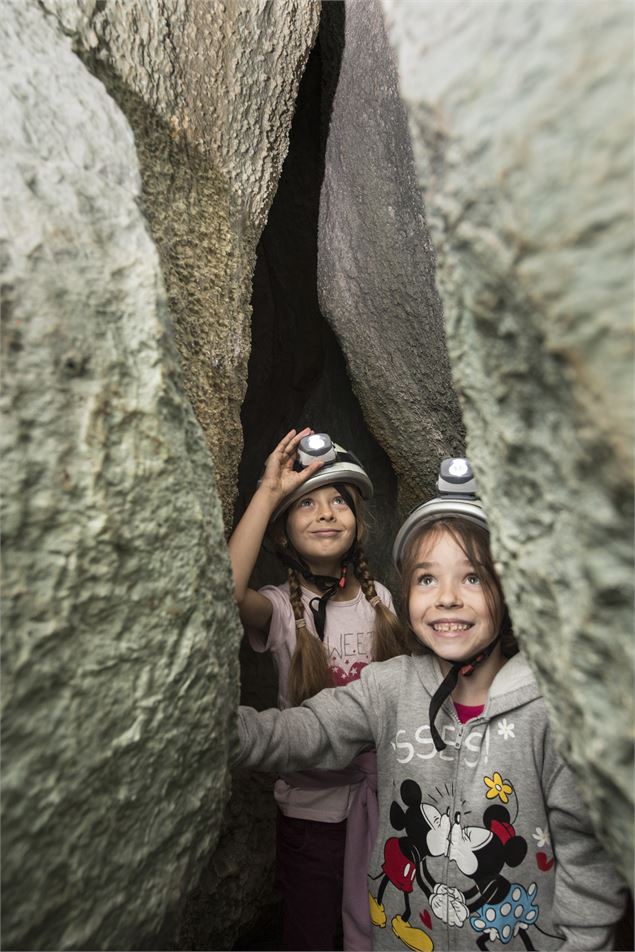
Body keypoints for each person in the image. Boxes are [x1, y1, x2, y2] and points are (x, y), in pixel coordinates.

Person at [232, 457, 627, 952]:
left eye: (472, 578)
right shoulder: (390, 687)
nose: (445, 598)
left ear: (509, 590)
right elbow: (307, 729)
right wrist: (220, 731)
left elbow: (586, 856)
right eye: (426, 579)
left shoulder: (549, 713)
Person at [229, 427, 406, 952]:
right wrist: (268, 490)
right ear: (282, 536)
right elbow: (223, 590)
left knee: (378, 923)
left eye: (338, 502)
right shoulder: (282, 610)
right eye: (306, 504)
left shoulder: (383, 603)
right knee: (309, 931)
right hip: (311, 813)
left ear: (358, 523)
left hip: (381, 804)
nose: (326, 513)